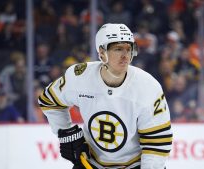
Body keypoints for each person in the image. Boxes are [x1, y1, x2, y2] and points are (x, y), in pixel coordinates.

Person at [39, 23, 172, 169]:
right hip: (92, 163)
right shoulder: (79, 77)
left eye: (129, 49)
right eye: (118, 49)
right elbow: (49, 101)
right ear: (102, 53)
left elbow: (157, 144)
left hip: (136, 165)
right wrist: (65, 133)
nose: (125, 56)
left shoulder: (148, 87)